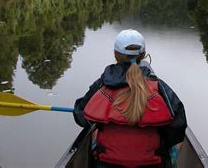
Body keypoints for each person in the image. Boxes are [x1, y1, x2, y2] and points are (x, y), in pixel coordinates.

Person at [73, 29, 187, 168]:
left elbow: (81, 115)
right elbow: (179, 124)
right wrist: (162, 142)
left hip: (107, 163)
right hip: (151, 164)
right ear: (143, 55)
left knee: (95, 132)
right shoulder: (159, 87)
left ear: (115, 55)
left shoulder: (102, 85)